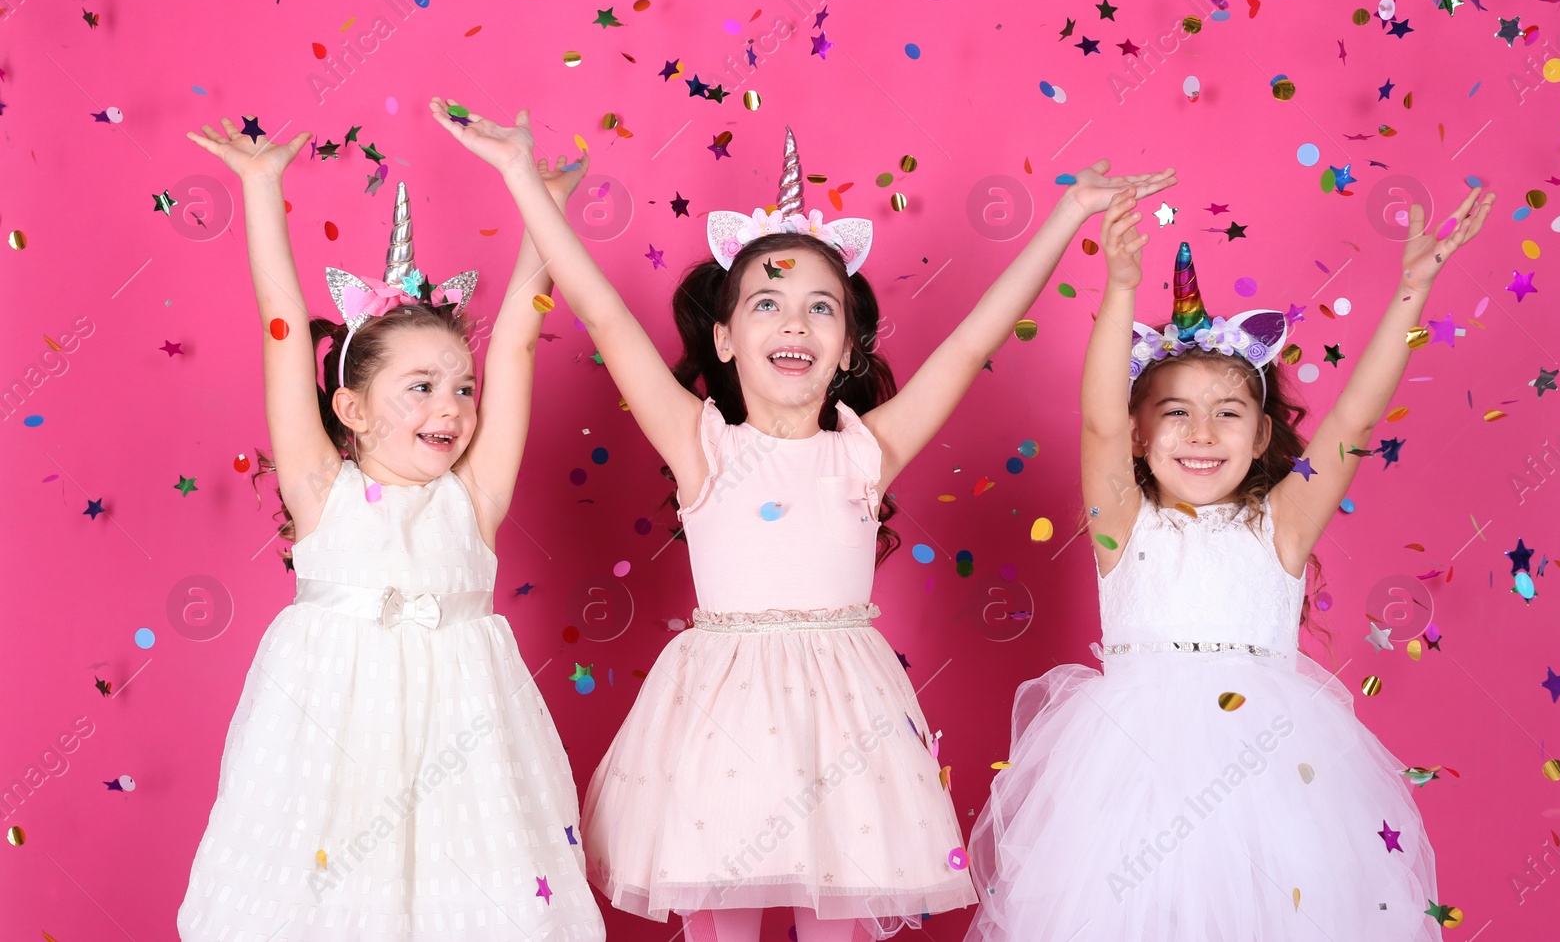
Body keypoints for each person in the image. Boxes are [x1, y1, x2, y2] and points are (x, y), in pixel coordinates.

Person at [429, 97, 1175, 942]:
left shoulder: (866, 449)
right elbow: (601, 312)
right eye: (767, 304)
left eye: (822, 306)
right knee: (725, 923)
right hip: (718, 718)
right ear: (723, 339)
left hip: (845, 722)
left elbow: (973, 341)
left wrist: (1069, 214)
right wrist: (524, 177)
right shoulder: (700, 443)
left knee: (837, 921)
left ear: (851, 346)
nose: (794, 320)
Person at [965, 183, 1493, 941]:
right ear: (1141, 434)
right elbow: (1096, 417)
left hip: (1270, 778)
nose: (1203, 432)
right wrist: (1120, 286)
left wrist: (1412, 289)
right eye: (1175, 411)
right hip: (1131, 781)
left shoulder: (1283, 523)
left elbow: (1354, 416)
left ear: (1260, 433)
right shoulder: (1122, 522)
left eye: (1228, 412)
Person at [176, 115, 605, 942]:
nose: (450, 405)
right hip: (331, 741)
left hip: (463, 745)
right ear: (351, 407)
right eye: (420, 386)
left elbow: (516, 341)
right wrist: (262, 188)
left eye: (461, 387)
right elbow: (280, 323)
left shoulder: (472, 497)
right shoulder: (320, 490)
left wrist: (541, 215)